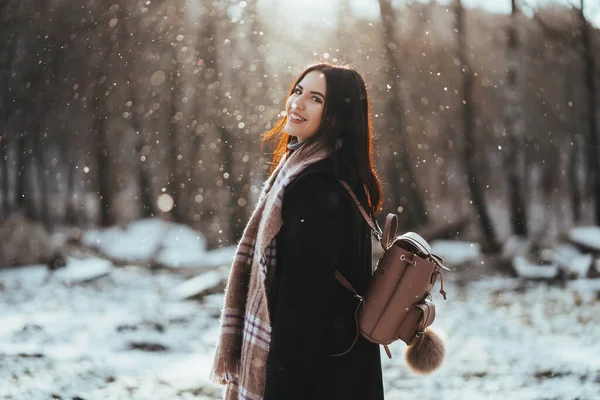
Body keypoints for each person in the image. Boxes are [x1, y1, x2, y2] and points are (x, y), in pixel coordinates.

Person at [211, 62, 385, 400]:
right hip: (340, 366)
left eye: (316, 98)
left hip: (317, 375)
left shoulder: (316, 188)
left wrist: (279, 388)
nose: (298, 103)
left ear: (336, 115)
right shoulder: (328, 174)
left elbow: (301, 309)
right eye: (298, 91)